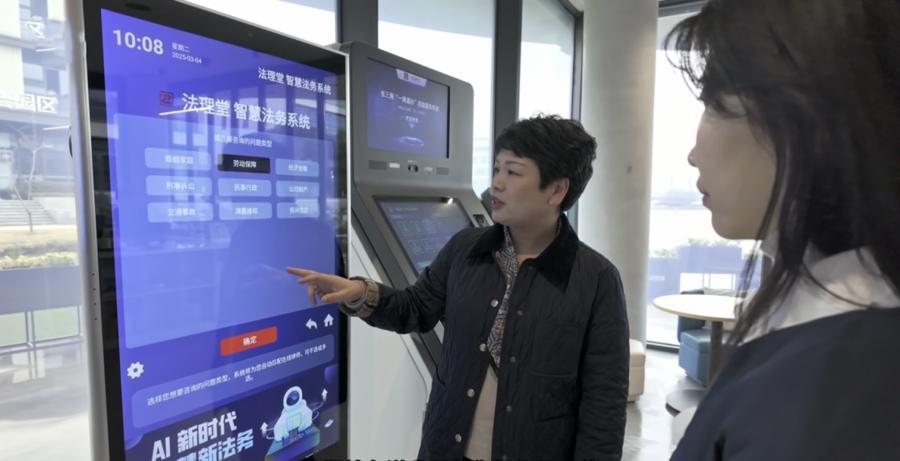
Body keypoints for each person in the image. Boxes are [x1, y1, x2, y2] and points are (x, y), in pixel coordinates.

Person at [288, 115, 629, 460]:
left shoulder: (596, 279)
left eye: (513, 172)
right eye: (496, 168)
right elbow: (415, 308)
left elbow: (604, 404)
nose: (497, 183)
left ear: (557, 190)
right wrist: (359, 293)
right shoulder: (466, 248)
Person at [665, 0, 900, 459]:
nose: (692, 154)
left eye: (713, 103)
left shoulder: (835, 376)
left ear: (805, 115)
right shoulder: (840, 332)